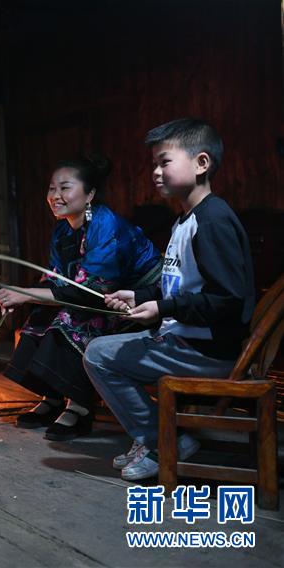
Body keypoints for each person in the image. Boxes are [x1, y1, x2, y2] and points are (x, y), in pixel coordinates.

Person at [84, 118, 255, 481]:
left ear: (201, 163)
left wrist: (164, 308)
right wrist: (143, 295)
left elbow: (227, 299)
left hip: (208, 353)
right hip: (187, 342)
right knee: (100, 349)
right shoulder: (185, 221)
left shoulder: (212, 222)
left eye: (164, 162)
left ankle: (164, 441)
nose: (155, 172)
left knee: (99, 356)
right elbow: (182, 287)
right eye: (154, 165)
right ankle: (158, 437)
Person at [0, 154, 161, 441]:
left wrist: (26, 294)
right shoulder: (62, 230)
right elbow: (57, 278)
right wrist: (23, 297)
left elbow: (92, 292)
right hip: (99, 299)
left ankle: (80, 406)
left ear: (90, 194)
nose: (55, 196)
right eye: (51, 189)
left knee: (74, 318)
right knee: (41, 314)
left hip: (137, 305)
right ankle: (53, 396)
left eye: (65, 188)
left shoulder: (107, 225)